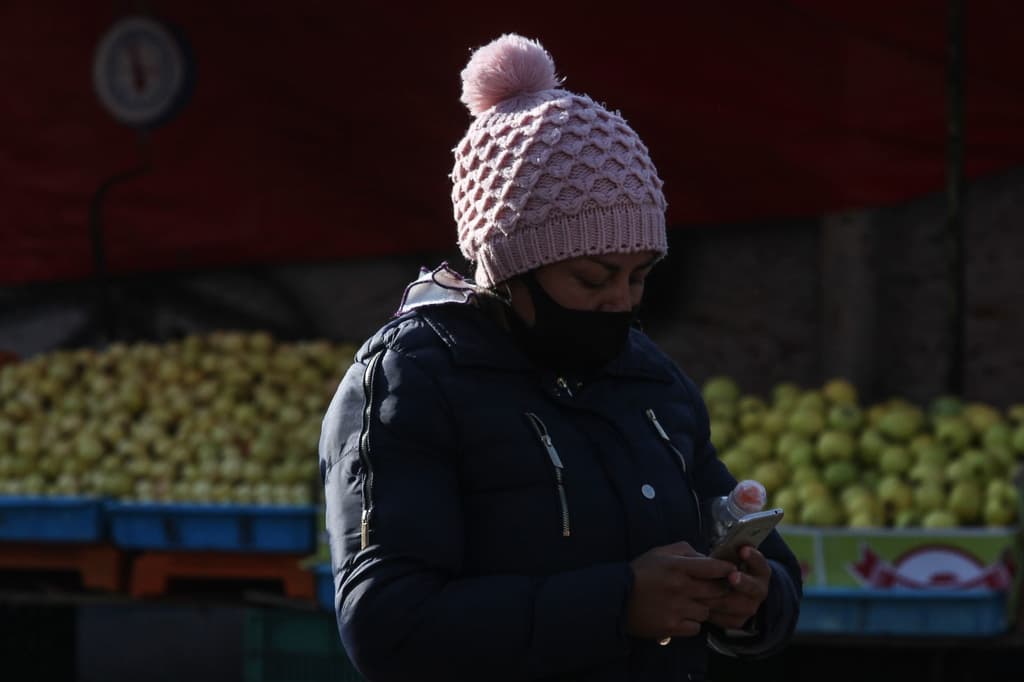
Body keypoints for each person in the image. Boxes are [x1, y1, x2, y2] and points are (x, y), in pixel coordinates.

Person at [319, 33, 802, 682]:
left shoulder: (651, 381)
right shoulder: (413, 382)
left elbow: (766, 562)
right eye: (594, 279)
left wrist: (754, 596)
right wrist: (619, 604)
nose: (620, 304)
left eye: (638, 278)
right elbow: (385, 624)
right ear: (512, 270)